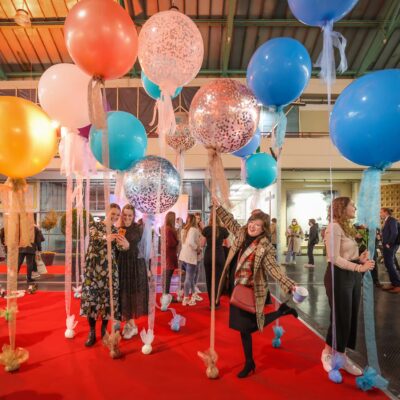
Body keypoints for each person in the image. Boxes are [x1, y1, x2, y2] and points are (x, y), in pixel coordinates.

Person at [214, 199, 299, 378]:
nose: (253, 226)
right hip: (236, 288)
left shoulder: (264, 247)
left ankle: (249, 362)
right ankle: (281, 312)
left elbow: (273, 268)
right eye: (252, 222)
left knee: (248, 327)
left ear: (263, 229)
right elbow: (230, 221)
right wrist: (218, 206)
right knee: (244, 328)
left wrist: (289, 285)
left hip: (251, 290)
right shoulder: (242, 233)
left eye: (258, 225)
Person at [321, 197, 375, 376]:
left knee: (349, 317)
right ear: (342, 208)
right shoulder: (333, 227)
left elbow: (346, 255)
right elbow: (333, 258)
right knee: (341, 317)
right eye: (352, 205)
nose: (355, 207)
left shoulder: (346, 227)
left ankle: (334, 353)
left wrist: (359, 258)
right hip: (338, 276)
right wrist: (360, 267)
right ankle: (337, 355)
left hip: (351, 275)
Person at [80, 204, 129, 347]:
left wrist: (125, 244)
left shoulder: (117, 230)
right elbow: (95, 238)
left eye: (117, 215)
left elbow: (120, 248)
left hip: (110, 272)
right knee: (91, 301)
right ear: (107, 212)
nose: (115, 217)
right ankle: (92, 332)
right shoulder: (94, 225)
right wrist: (107, 237)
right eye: (113, 213)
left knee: (108, 303)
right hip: (93, 271)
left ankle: (103, 330)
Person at [117, 204, 149, 340]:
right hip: (122, 265)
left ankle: (131, 325)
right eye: (125, 215)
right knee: (123, 293)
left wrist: (129, 246)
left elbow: (143, 249)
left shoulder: (139, 229)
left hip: (135, 265)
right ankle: (130, 324)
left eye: (130, 215)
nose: (127, 218)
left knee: (132, 294)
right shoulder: (119, 229)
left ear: (134, 216)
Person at [202, 215, 229, 308]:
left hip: (208, 255)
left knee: (209, 280)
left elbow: (202, 244)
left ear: (210, 219)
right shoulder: (223, 230)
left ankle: (211, 303)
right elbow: (228, 244)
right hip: (219, 255)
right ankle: (216, 302)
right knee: (218, 280)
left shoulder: (206, 230)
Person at [179, 214, 201, 306]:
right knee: (188, 278)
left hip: (183, 256)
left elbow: (184, 243)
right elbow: (191, 242)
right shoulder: (194, 230)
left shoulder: (183, 230)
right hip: (190, 257)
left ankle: (193, 294)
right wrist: (197, 248)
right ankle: (186, 298)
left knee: (190, 277)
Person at [380, 208, 400, 293]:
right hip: (387, 244)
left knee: (390, 264)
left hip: (390, 245)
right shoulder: (387, 220)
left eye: (381, 212)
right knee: (388, 264)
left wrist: (389, 243)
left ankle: (397, 285)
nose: (379, 214)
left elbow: (394, 232)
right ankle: (393, 283)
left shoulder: (391, 220)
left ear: (385, 212)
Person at [163, 211, 179, 300]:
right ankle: (166, 295)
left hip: (169, 253)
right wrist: (177, 241)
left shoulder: (167, 228)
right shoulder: (169, 229)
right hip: (170, 253)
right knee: (168, 275)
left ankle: (166, 294)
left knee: (168, 275)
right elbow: (170, 243)